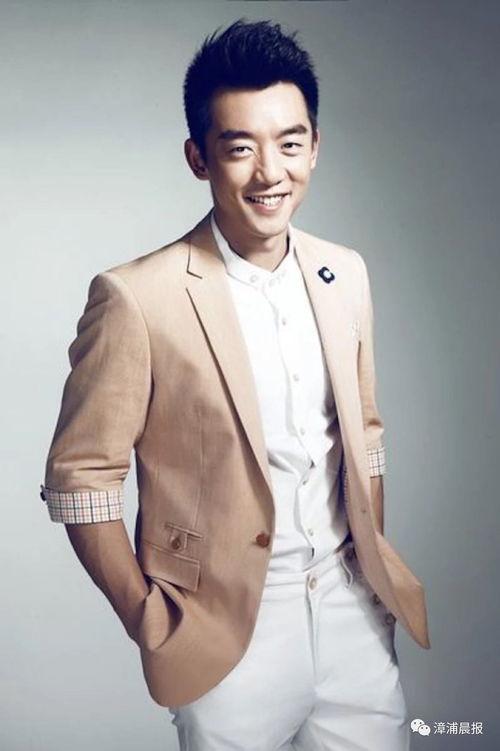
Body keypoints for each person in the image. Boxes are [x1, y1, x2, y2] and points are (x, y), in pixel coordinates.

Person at [40, 18, 430, 751]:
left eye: (290, 143)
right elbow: (79, 476)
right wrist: (149, 618)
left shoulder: (345, 273)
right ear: (199, 157)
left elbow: (364, 435)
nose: (270, 172)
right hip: (222, 638)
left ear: (316, 145)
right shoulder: (136, 298)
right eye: (240, 147)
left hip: (351, 613)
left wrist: (370, 575)